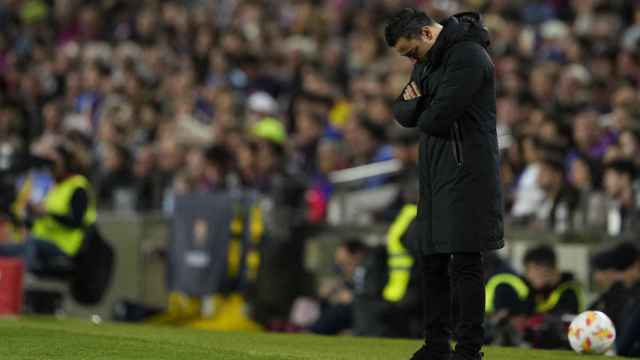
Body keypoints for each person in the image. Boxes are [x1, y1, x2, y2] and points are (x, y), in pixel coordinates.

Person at [385, 8, 504, 360]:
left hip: (468, 172)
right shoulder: (430, 60)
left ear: (425, 33)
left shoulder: (468, 56)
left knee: (466, 262)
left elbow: (437, 118)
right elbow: (401, 112)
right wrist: (420, 105)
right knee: (432, 260)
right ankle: (436, 345)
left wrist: (419, 102)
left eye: (411, 53)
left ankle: (469, 350)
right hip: (436, 171)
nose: (411, 61)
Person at [0, 144, 97, 272]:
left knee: (31, 244)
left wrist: (49, 213)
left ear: (65, 162)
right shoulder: (56, 187)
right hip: (41, 241)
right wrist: (25, 215)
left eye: (54, 163)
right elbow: (41, 222)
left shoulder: (78, 186)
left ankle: (24, 284)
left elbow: (76, 222)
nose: (49, 167)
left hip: (64, 247)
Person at [523, 245, 584, 316]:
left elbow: (563, 321)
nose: (529, 276)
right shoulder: (537, 290)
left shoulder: (570, 293)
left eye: (530, 270)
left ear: (543, 269)